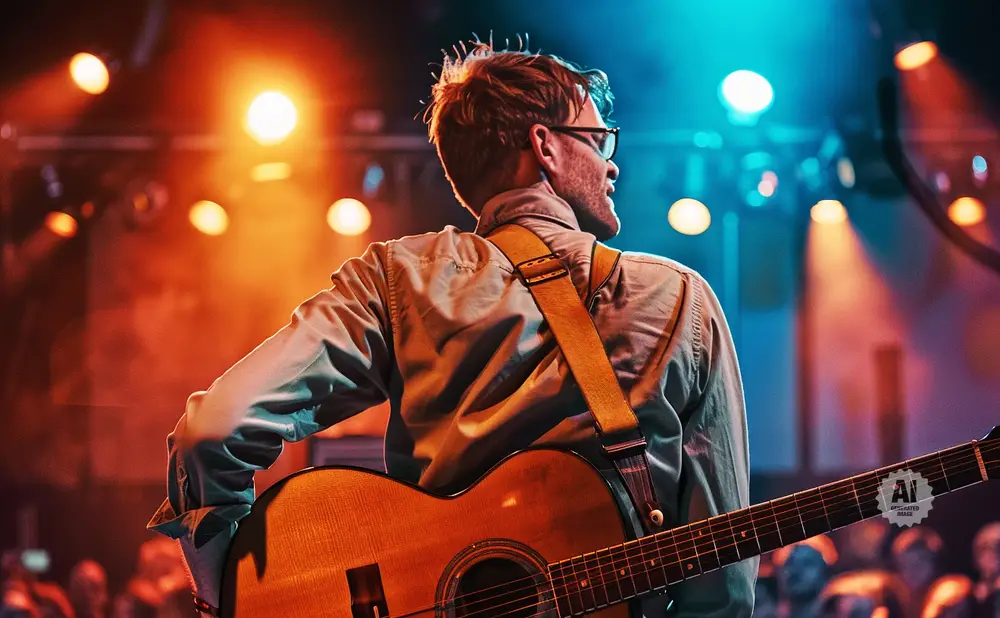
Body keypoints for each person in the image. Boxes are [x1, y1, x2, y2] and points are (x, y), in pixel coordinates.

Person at [147, 38, 756, 617]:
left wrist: (231, 600)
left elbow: (211, 431)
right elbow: (722, 582)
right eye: (599, 140)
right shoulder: (679, 300)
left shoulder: (395, 278)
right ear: (544, 146)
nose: (612, 164)